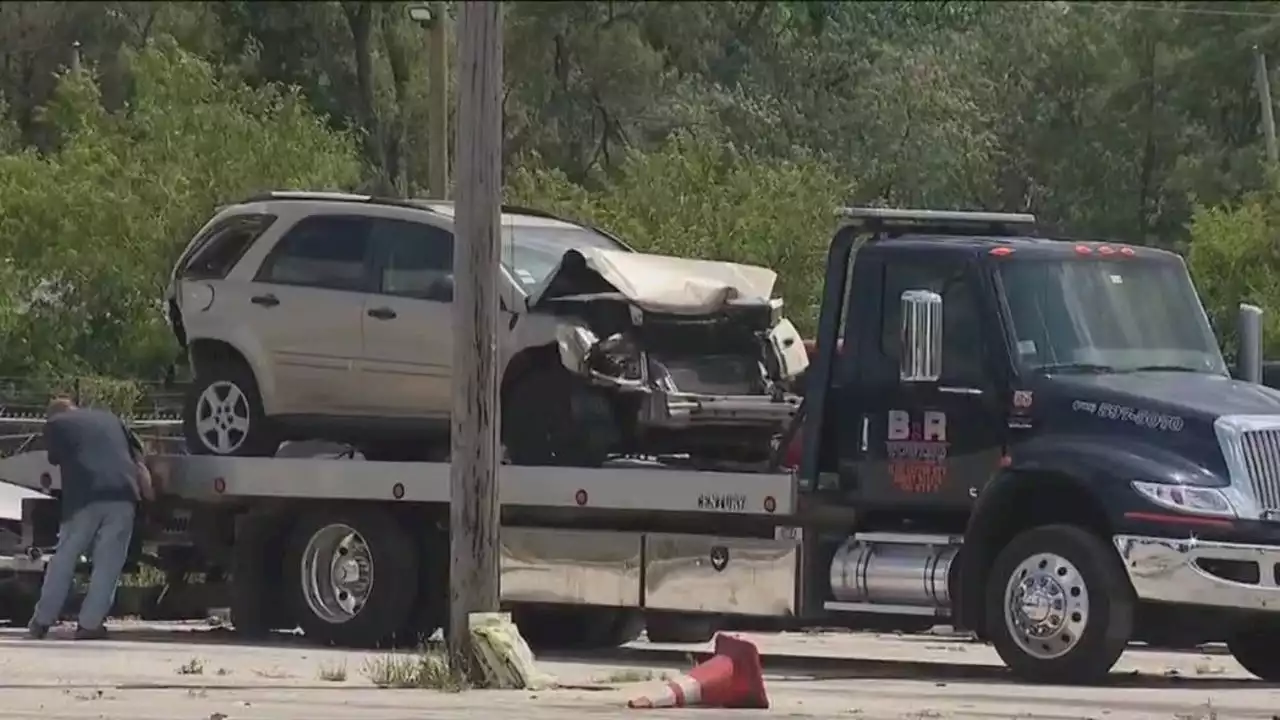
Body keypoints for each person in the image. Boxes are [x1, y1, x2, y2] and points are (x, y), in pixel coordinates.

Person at [27, 397, 154, 640]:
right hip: (123, 495)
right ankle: (90, 625)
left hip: (84, 497)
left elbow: (55, 458)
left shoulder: (56, 424)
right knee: (108, 563)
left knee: (64, 557)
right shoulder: (111, 419)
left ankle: (42, 621)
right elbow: (138, 455)